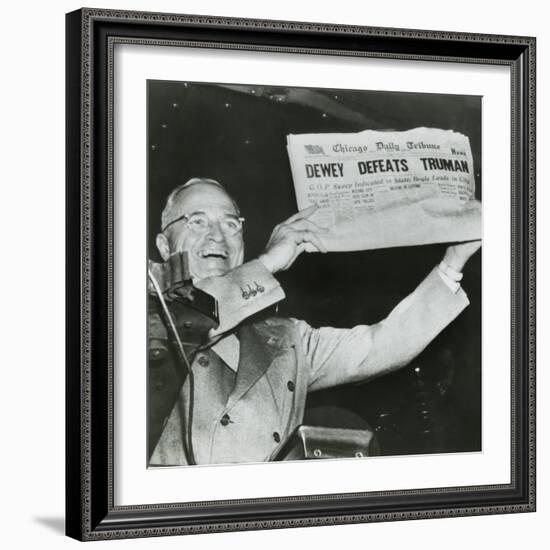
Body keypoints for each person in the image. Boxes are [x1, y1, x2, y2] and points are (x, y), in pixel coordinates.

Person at [148, 177, 481, 466]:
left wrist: (454, 260)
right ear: (164, 245)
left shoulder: (283, 337)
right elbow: (188, 323)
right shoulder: (140, 312)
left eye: (230, 223)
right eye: (197, 222)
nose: (217, 235)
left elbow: (378, 346)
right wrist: (266, 264)